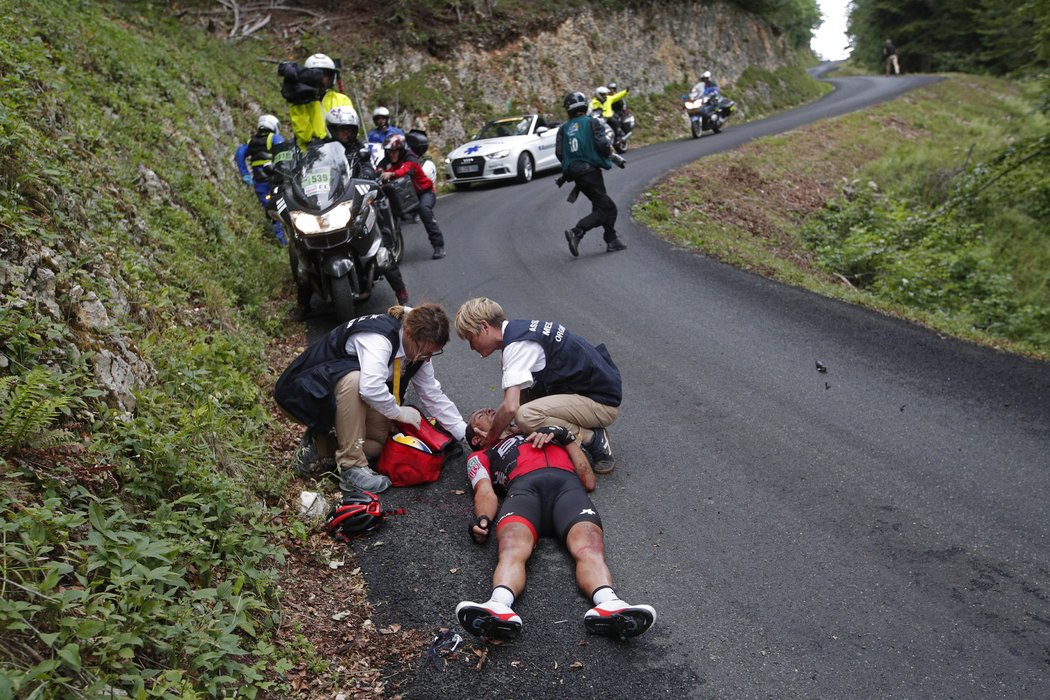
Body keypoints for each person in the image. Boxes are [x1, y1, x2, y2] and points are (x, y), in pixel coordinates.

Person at [455, 408, 656, 640]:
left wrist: (566, 437)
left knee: (589, 544)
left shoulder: (539, 431)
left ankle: (609, 604)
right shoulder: (480, 455)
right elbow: (485, 491)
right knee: (512, 544)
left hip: (567, 489)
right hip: (524, 491)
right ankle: (498, 606)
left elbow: (588, 480)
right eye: (480, 414)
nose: (490, 410)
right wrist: (483, 520)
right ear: (477, 437)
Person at [274, 304, 467, 494]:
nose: (426, 358)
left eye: (432, 353)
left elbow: (432, 394)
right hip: (302, 395)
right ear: (408, 333)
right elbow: (370, 388)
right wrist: (398, 412)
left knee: (378, 443)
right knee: (356, 380)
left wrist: (467, 434)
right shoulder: (379, 338)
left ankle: (318, 445)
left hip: (334, 395)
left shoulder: (417, 349)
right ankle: (352, 467)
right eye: (424, 351)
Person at [454, 297, 621, 474]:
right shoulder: (518, 331)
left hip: (602, 403)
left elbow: (511, 407)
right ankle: (542, 427)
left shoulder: (517, 346)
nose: (472, 347)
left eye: (470, 338)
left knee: (525, 416)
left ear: (485, 327)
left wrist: (491, 438)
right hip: (588, 389)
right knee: (512, 376)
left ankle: (592, 438)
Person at [323, 106, 409, 307]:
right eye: (340, 129)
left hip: (357, 201)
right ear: (332, 130)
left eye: (348, 129)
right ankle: (303, 301)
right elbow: (312, 170)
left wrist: (368, 176)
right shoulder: (323, 150)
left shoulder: (358, 149)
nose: (345, 133)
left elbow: (368, 167)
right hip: (331, 203)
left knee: (381, 247)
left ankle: (401, 291)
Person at [556, 91, 627, 255]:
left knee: (602, 206)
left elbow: (559, 154)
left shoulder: (563, 129)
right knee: (608, 209)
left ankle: (612, 240)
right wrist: (611, 154)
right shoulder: (592, 122)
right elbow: (602, 144)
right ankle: (577, 231)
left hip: (576, 174)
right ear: (584, 105)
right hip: (591, 173)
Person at [379, 133, 447, 260]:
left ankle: (438, 246)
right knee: (388, 215)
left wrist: (391, 173)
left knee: (425, 210)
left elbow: (407, 170)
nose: (392, 154)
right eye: (389, 152)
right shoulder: (388, 159)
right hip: (404, 196)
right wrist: (376, 172)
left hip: (424, 193)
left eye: (394, 151)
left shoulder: (410, 157)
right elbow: (378, 168)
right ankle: (390, 250)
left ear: (401, 150)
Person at [234, 114, 287, 245]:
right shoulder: (274, 138)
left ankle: (281, 241)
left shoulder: (250, 142)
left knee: (271, 213)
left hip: (260, 183)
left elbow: (239, 154)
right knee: (286, 207)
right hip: (277, 180)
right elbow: (285, 152)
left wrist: (245, 174)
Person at [288, 53, 355, 150]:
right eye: (315, 74)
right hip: (309, 156)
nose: (320, 78)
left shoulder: (342, 99)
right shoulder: (301, 101)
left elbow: (350, 128)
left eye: (325, 75)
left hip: (339, 153)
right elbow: (303, 134)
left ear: (331, 78)